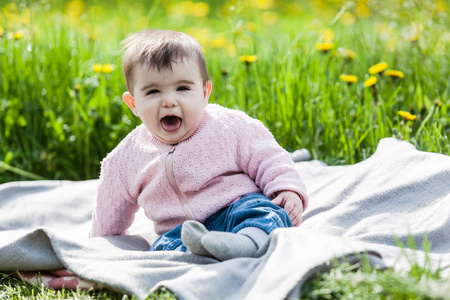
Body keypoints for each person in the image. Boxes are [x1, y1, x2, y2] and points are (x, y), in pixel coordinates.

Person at [90, 29, 309, 261]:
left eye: (182, 88)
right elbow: (108, 213)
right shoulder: (125, 159)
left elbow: (269, 157)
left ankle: (246, 243)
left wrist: (286, 188)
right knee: (163, 247)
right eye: (153, 91)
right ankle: (202, 252)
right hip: (183, 231)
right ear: (133, 103)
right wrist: (95, 250)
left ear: (205, 92)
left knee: (265, 212)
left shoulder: (230, 126)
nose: (169, 101)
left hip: (236, 207)